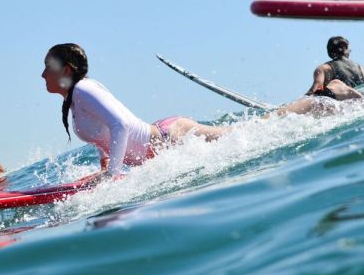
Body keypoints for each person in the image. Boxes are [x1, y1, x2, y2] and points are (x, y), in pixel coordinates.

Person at [41, 43, 226, 178]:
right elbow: (101, 129)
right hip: (161, 146)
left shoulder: (83, 89)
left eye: (48, 67)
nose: (43, 74)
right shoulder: (75, 98)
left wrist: (111, 175)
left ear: (65, 70)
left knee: (240, 137)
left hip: (170, 137)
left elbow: (120, 124)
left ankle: (256, 119)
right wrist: (105, 166)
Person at [274, 36, 364, 116]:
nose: (350, 50)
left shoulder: (324, 68)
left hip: (333, 104)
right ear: (345, 48)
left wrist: (299, 102)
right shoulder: (360, 68)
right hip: (354, 106)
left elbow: (317, 88)